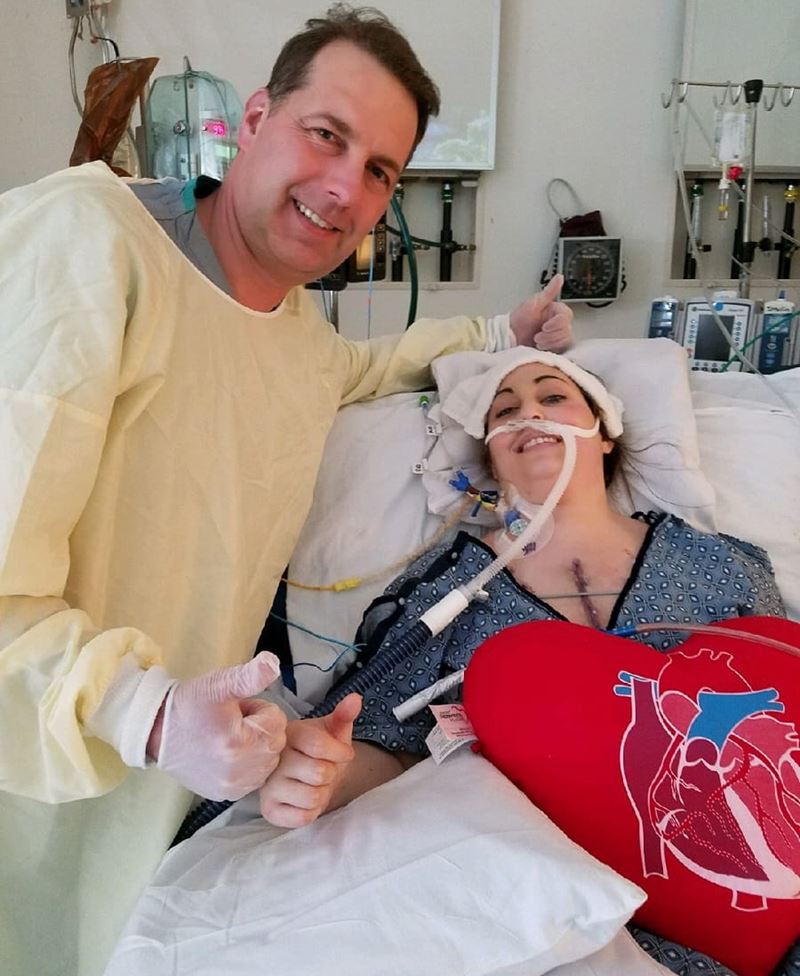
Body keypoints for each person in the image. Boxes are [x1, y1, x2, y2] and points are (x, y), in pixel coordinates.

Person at [0, 7, 573, 976]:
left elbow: (363, 366)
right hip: (33, 768)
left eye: (381, 170)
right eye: (326, 134)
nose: (347, 188)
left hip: (156, 800)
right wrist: (142, 708)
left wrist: (495, 334)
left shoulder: (301, 341)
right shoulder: (87, 243)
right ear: (255, 116)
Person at [257, 345, 786, 826]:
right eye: (505, 411)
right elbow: (390, 748)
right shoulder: (451, 588)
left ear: (603, 436)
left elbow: (783, 709)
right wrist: (327, 777)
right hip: (534, 873)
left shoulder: (715, 564)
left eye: (553, 397)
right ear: (492, 455)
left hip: (729, 835)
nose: (529, 413)